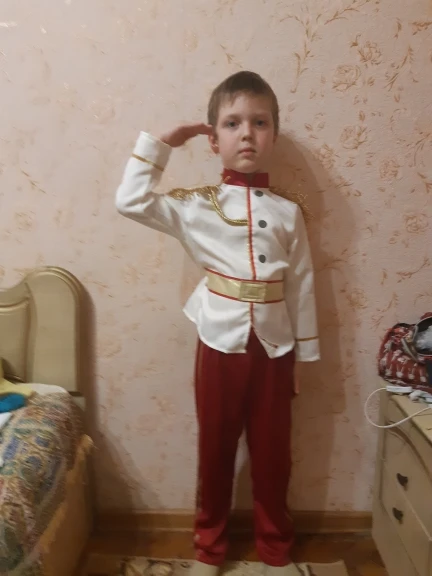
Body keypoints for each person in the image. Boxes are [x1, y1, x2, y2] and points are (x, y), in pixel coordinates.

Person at [116, 71, 320, 576]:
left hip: (275, 348)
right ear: (214, 139)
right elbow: (131, 201)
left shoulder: (289, 213)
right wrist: (163, 144)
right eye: (232, 123)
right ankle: (209, 547)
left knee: (273, 453)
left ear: (274, 134)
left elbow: (302, 285)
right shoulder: (196, 206)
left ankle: (275, 546)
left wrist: (304, 356)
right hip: (218, 343)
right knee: (215, 449)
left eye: (259, 122)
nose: (247, 133)